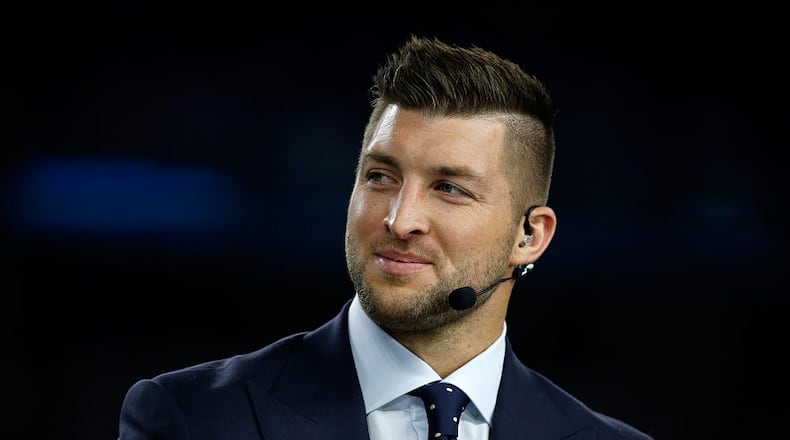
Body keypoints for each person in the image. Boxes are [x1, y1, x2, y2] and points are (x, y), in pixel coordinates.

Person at [118, 35, 653, 440]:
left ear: (529, 236)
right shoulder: (189, 418)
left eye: (448, 188)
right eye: (381, 177)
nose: (400, 220)